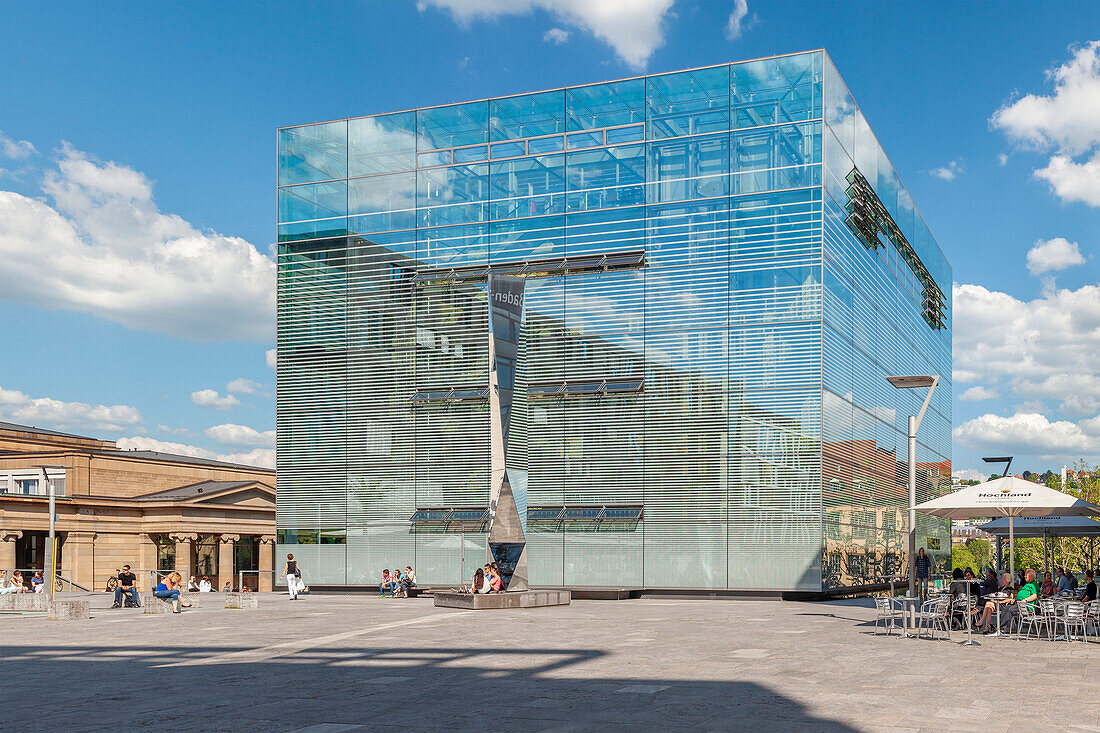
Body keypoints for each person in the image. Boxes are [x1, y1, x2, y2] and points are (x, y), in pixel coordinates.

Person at [996, 568, 1039, 633]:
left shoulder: (1034, 584)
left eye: (1026, 575)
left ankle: (1001, 627)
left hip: (1026, 605)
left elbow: (1034, 596)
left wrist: (1025, 600)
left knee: (1010, 610)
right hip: (1018, 601)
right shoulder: (1027, 584)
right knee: (1006, 608)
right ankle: (998, 626)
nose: (1024, 576)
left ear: (1031, 576)